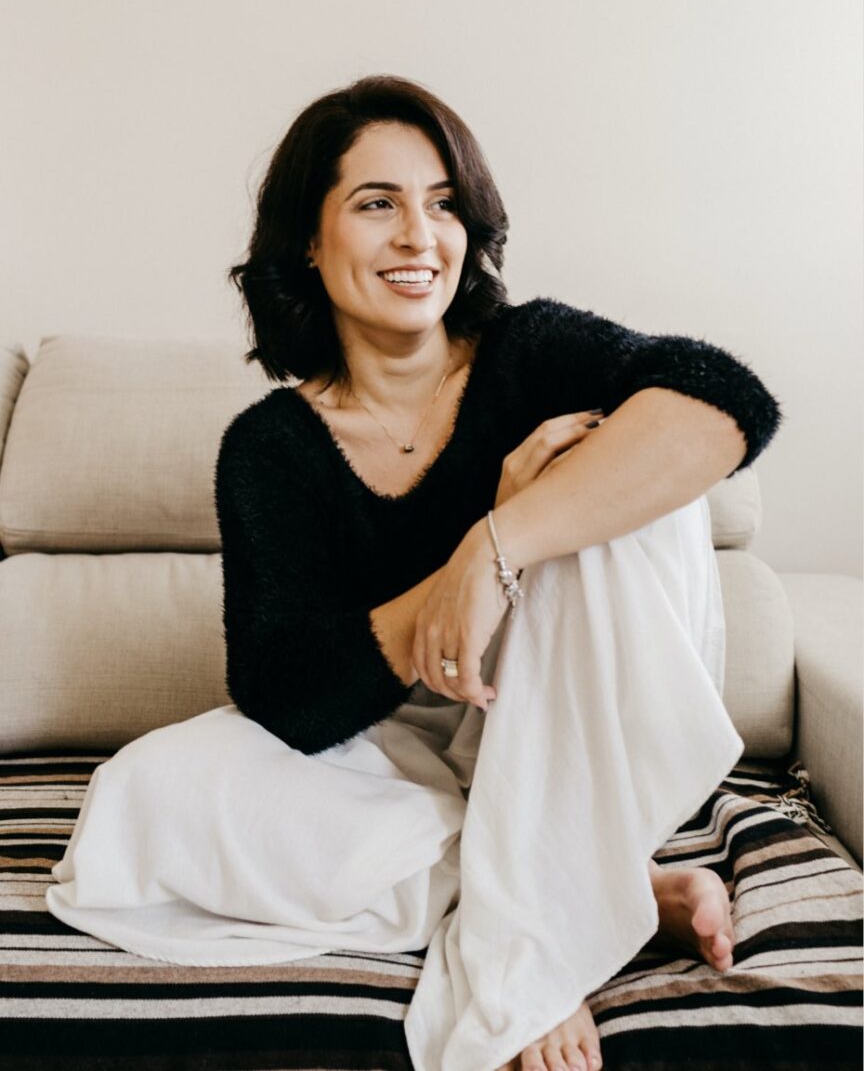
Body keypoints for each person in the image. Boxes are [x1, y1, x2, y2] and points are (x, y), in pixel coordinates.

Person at [46, 75, 782, 1071]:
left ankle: (525, 946)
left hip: (570, 706)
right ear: (309, 238)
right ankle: (600, 886)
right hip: (407, 749)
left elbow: (728, 402)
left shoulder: (533, 352)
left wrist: (505, 542)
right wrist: (452, 581)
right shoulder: (271, 446)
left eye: (442, 204)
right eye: (376, 203)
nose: (417, 235)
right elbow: (287, 694)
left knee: (610, 475)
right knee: (143, 797)